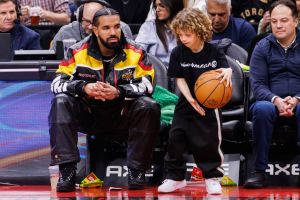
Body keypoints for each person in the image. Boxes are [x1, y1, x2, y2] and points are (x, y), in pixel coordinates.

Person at [48, 7, 161, 192]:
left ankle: (137, 171)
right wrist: (83, 87)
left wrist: (119, 92)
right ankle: (67, 170)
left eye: (117, 27)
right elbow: (56, 84)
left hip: (123, 115)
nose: (113, 32)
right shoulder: (77, 51)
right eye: (106, 28)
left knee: (149, 106)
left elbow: (148, 85)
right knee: (61, 101)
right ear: (94, 30)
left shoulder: (137, 52)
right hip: (89, 115)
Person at [157, 8, 232, 195]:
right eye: (180, 35)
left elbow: (226, 69)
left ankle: (212, 177)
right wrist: (190, 99)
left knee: (208, 141)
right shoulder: (178, 52)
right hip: (186, 101)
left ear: (200, 31)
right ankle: (175, 178)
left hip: (210, 102)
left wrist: (229, 71)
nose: (183, 39)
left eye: (188, 35)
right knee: (176, 138)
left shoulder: (213, 51)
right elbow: (179, 78)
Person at [244, 0, 300, 189]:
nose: (278, 25)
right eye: (274, 21)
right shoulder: (262, 46)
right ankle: (259, 172)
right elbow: (257, 84)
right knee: (261, 109)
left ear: (295, 21)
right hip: (269, 100)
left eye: (284, 20)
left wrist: (297, 98)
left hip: (299, 100)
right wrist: (275, 100)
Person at [50, 0, 133, 52]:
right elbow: (51, 61)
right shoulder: (65, 32)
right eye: (86, 21)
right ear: (79, 17)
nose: (90, 27)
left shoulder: (122, 29)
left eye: (94, 23)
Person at [135, 0, 184, 68]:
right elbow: (136, 53)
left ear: (173, 5)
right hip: (156, 74)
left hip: (181, 73)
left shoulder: (185, 27)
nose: (157, 9)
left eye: (162, 6)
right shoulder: (149, 27)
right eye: (156, 6)